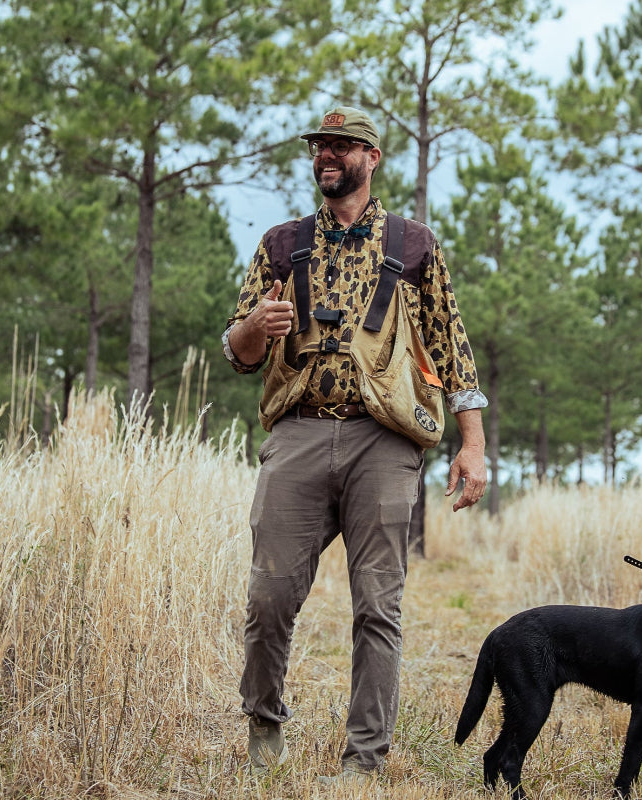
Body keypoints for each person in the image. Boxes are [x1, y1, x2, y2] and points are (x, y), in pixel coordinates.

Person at [221, 105, 488, 784]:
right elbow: (239, 354)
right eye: (321, 147)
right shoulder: (281, 245)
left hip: (385, 442)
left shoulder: (413, 244)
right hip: (300, 431)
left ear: (373, 159)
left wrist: (472, 445)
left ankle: (363, 762)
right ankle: (264, 726)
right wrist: (257, 324)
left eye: (342, 146)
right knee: (269, 596)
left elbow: (452, 348)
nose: (328, 156)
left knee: (378, 606)